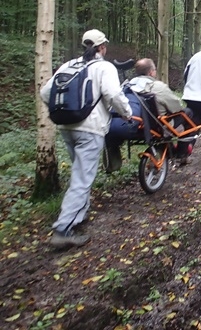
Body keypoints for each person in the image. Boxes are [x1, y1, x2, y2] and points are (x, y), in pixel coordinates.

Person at [40, 29, 132, 249]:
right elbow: (113, 94)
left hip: (65, 126)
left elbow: (45, 93)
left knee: (79, 173)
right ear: (102, 47)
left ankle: (78, 215)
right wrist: (127, 113)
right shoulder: (104, 67)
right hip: (90, 129)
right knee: (82, 178)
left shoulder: (67, 65)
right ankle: (63, 230)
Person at [104, 58, 192, 172]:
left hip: (139, 124)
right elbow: (176, 107)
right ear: (151, 72)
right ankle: (182, 153)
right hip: (158, 126)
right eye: (155, 69)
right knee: (188, 113)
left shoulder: (126, 86)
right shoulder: (158, 87)